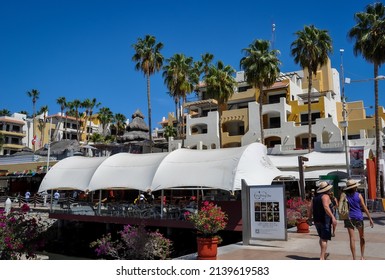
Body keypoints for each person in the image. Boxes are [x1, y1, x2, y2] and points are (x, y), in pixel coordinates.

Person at [342, 179, 374, 260]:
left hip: (348, 218)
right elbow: (364, 207)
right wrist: (370, 218)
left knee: (352, 238)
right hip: (358, 217)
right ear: (355, 187)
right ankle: (362, 257)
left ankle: (354, 258)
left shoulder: (344, 196)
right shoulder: (359, 195)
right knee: (362, 237)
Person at [308, 181, 337, 260]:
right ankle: (322, 257)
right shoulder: (325, 196)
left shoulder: (315, 198)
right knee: (324, 239)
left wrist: (309, 218)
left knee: (321, 238)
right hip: (325, 220)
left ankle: (323, 253)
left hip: (317, 220)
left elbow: (310, 208)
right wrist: (333, 217)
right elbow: (326, 207)